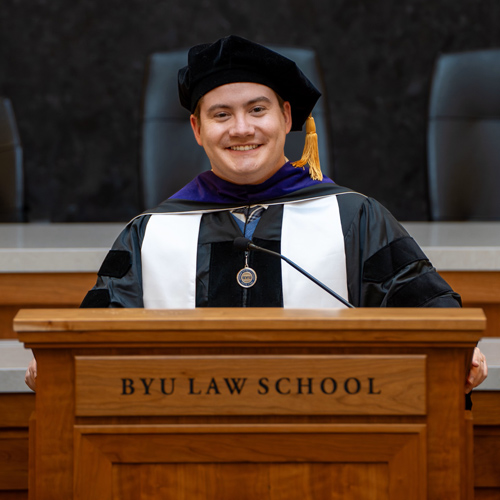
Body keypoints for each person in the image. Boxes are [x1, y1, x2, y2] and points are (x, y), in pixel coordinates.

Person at [25, 35, 487, 394]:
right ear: (197, 128)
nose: (241, 128)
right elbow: (95, 339)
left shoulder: (355, 218)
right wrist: (59, 363)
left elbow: (431, 316)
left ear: (287, 118)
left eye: (258, 109)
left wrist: (460, 353)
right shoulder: (151, 234)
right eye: (221, 114)